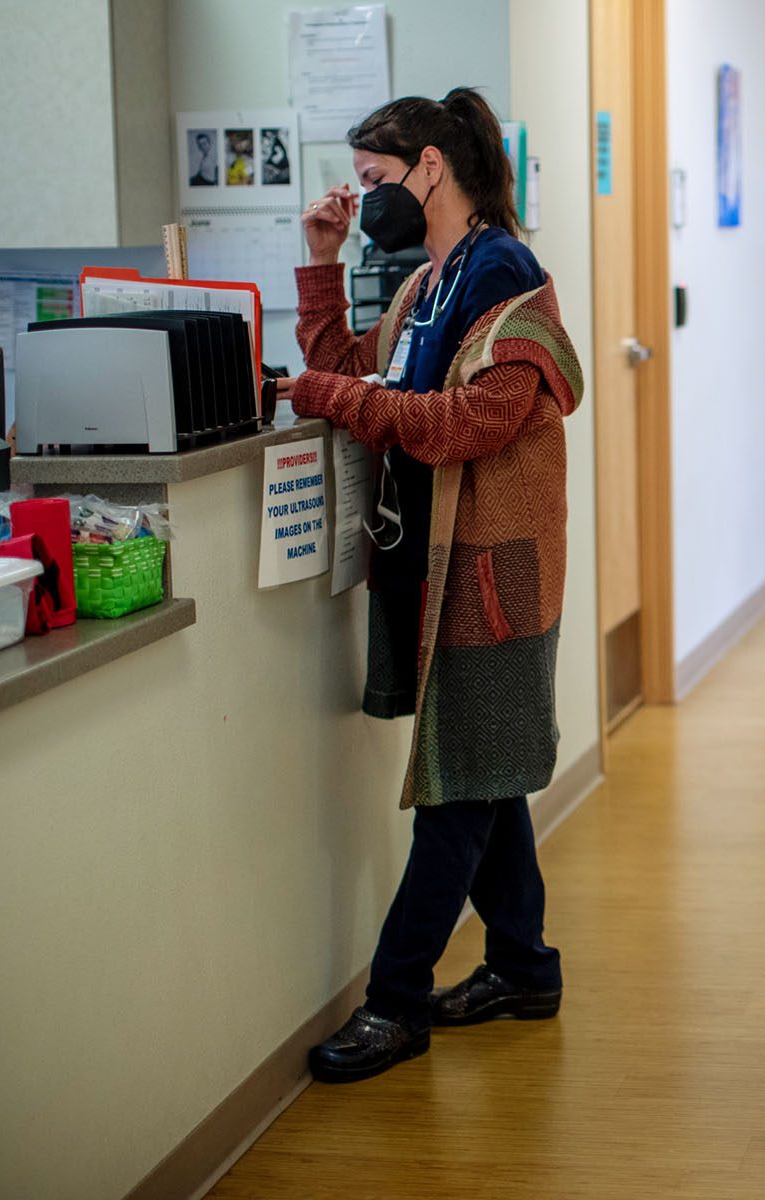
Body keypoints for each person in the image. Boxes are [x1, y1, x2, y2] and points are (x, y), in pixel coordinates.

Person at [282, 87, 583, 1084]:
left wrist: (339, 395)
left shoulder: (506, 284)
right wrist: (321, 263)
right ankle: (523, 968)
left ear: (431, 169)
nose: (363, 199)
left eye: (373, 183)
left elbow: (463, 425)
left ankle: (395, 1003)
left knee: (454, 798)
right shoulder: (427, 283)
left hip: (493, 581)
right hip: (439, 570)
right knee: (484, 777)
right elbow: (351, 372)